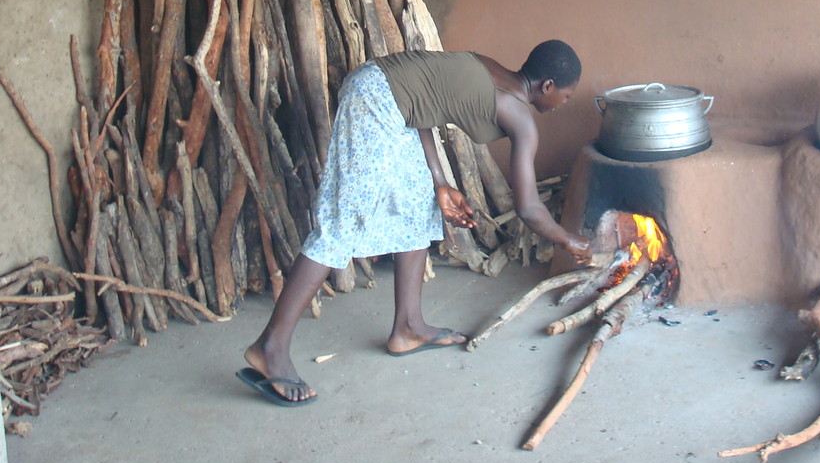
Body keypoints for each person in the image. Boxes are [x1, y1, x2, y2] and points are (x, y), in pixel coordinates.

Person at [236, 39, 592, 406]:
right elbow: (529, 208)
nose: (563, 104)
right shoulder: (519, 115)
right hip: (374, 98)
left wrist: (439, 182)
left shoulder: (492, 68)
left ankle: (408, 328)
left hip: (387, 94)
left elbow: (422, 106)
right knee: (342, 224)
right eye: (566, 97)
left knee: (418, 208)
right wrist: (569, 240)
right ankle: (270, 347)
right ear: (547, 86)